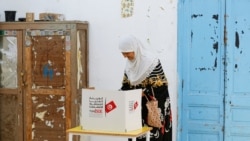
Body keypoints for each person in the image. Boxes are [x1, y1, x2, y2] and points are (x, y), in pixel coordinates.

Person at [118, 34, 172, 141]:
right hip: (136, 107)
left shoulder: (151, 62)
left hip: (153, 108)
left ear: (135, 49)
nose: (125, 56)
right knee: (136, 135)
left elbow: (161, 88)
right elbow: (125, 86)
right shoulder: (129, 66)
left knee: (153, 136)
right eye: (123, 54)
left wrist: (144, 93)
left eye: (127, 53)